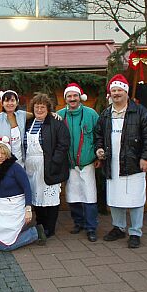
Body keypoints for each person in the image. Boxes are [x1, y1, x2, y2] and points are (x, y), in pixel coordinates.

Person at [94, 74, 147, 249]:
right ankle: (118, 227)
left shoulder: (140, 112)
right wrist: (99, 149)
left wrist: (146, 157)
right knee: (115, 197)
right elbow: (98, 135)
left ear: (126, 92)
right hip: (112, 163)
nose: (116, 93)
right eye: (113, 90)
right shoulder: (106, 114)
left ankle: (135, 232)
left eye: (119, 90)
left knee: (136, 198)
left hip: (134, 163)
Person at [0, 137, 47, 251]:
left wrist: (28, 209)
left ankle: (35, 232)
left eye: (3, 153)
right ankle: (1, 233)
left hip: (15, 208)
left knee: (4, 246)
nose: (0, 156)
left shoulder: (15, 168)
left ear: (8, 154)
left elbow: (27, 187)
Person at [57, 83, 100, 242]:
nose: (72, 99)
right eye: (69, 96)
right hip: (69, 165)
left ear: (80, 97)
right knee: (73, 195)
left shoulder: (91, 114)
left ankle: (91, 227)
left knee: (89, 196)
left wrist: (97, 156)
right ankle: (78, 223)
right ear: (66, 99)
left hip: (87, 163)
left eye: (75, 96)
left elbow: (99, 137)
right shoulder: (59, 115)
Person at [24, 93, 69, 238]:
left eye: (42, 107)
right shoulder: (29, 123)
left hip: (49, 165)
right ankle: (40, 223)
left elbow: (63, 144)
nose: (39, 109)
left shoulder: (56, 123)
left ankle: (50, 227)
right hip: (31, 166)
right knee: (36, 196)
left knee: (50, 198)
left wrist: (55, 162)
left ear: (48, 108)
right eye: (36, 107)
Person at [0, 90, 28, 166]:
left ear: (17, 102)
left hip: (20, 162)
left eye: (12, 100)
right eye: (6, 101)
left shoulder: (23, 115)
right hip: (3, 163)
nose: (10, 103)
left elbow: (38, 114)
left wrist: (51, 113)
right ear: (2, 103)